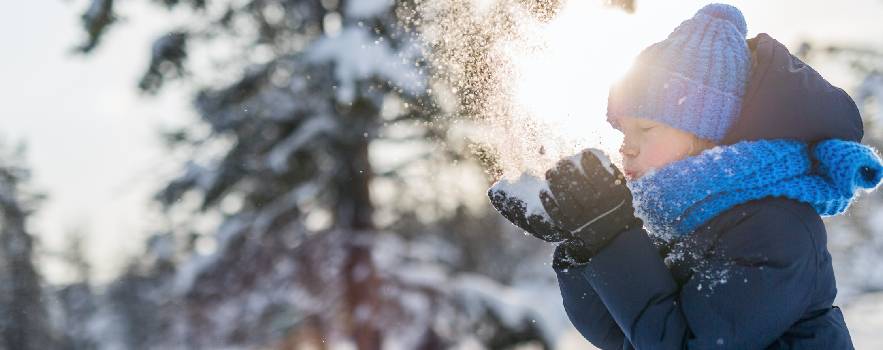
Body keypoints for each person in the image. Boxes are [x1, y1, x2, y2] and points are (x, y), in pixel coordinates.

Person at [487, 3, 882, 349]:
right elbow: (621, 335)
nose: (626, 145)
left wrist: (611, 240)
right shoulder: (678, 216)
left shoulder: (775, 228)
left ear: (703, 136)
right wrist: (585, 245)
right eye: (623, 131)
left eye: (646, 129)